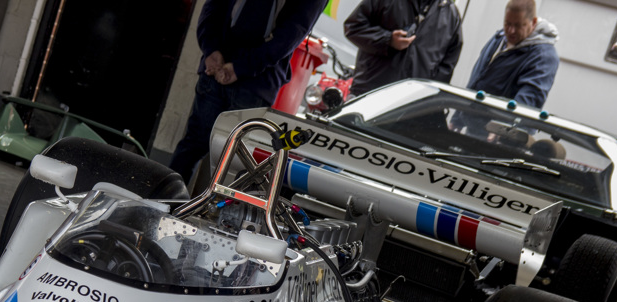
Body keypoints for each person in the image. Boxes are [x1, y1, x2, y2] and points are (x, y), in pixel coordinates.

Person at [168, 0, 327, 183]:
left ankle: (166, 203)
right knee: (233, 158)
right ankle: (177, 203)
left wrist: (214, 52)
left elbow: (213, 8)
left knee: (206, 150)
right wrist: (212, 51)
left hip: (240, 75)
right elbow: (291, 34)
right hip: (250, 79)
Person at [343, 0, 463, 98]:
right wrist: (387, 40)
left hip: (409, 107)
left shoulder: (450, 14)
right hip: (369, 94)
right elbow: (353, 27)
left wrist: (427, 96)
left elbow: (447, 66)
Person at [466, 0, 559, 108]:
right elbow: (477, 76)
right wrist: (457, 118)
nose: (511, 31)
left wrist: (495, 125)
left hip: (497, 123)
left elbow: (525, 105)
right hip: (472, 118)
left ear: (533, 22)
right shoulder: (499, 37)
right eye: (507, 23)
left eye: (518, 25)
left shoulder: (543, 57)